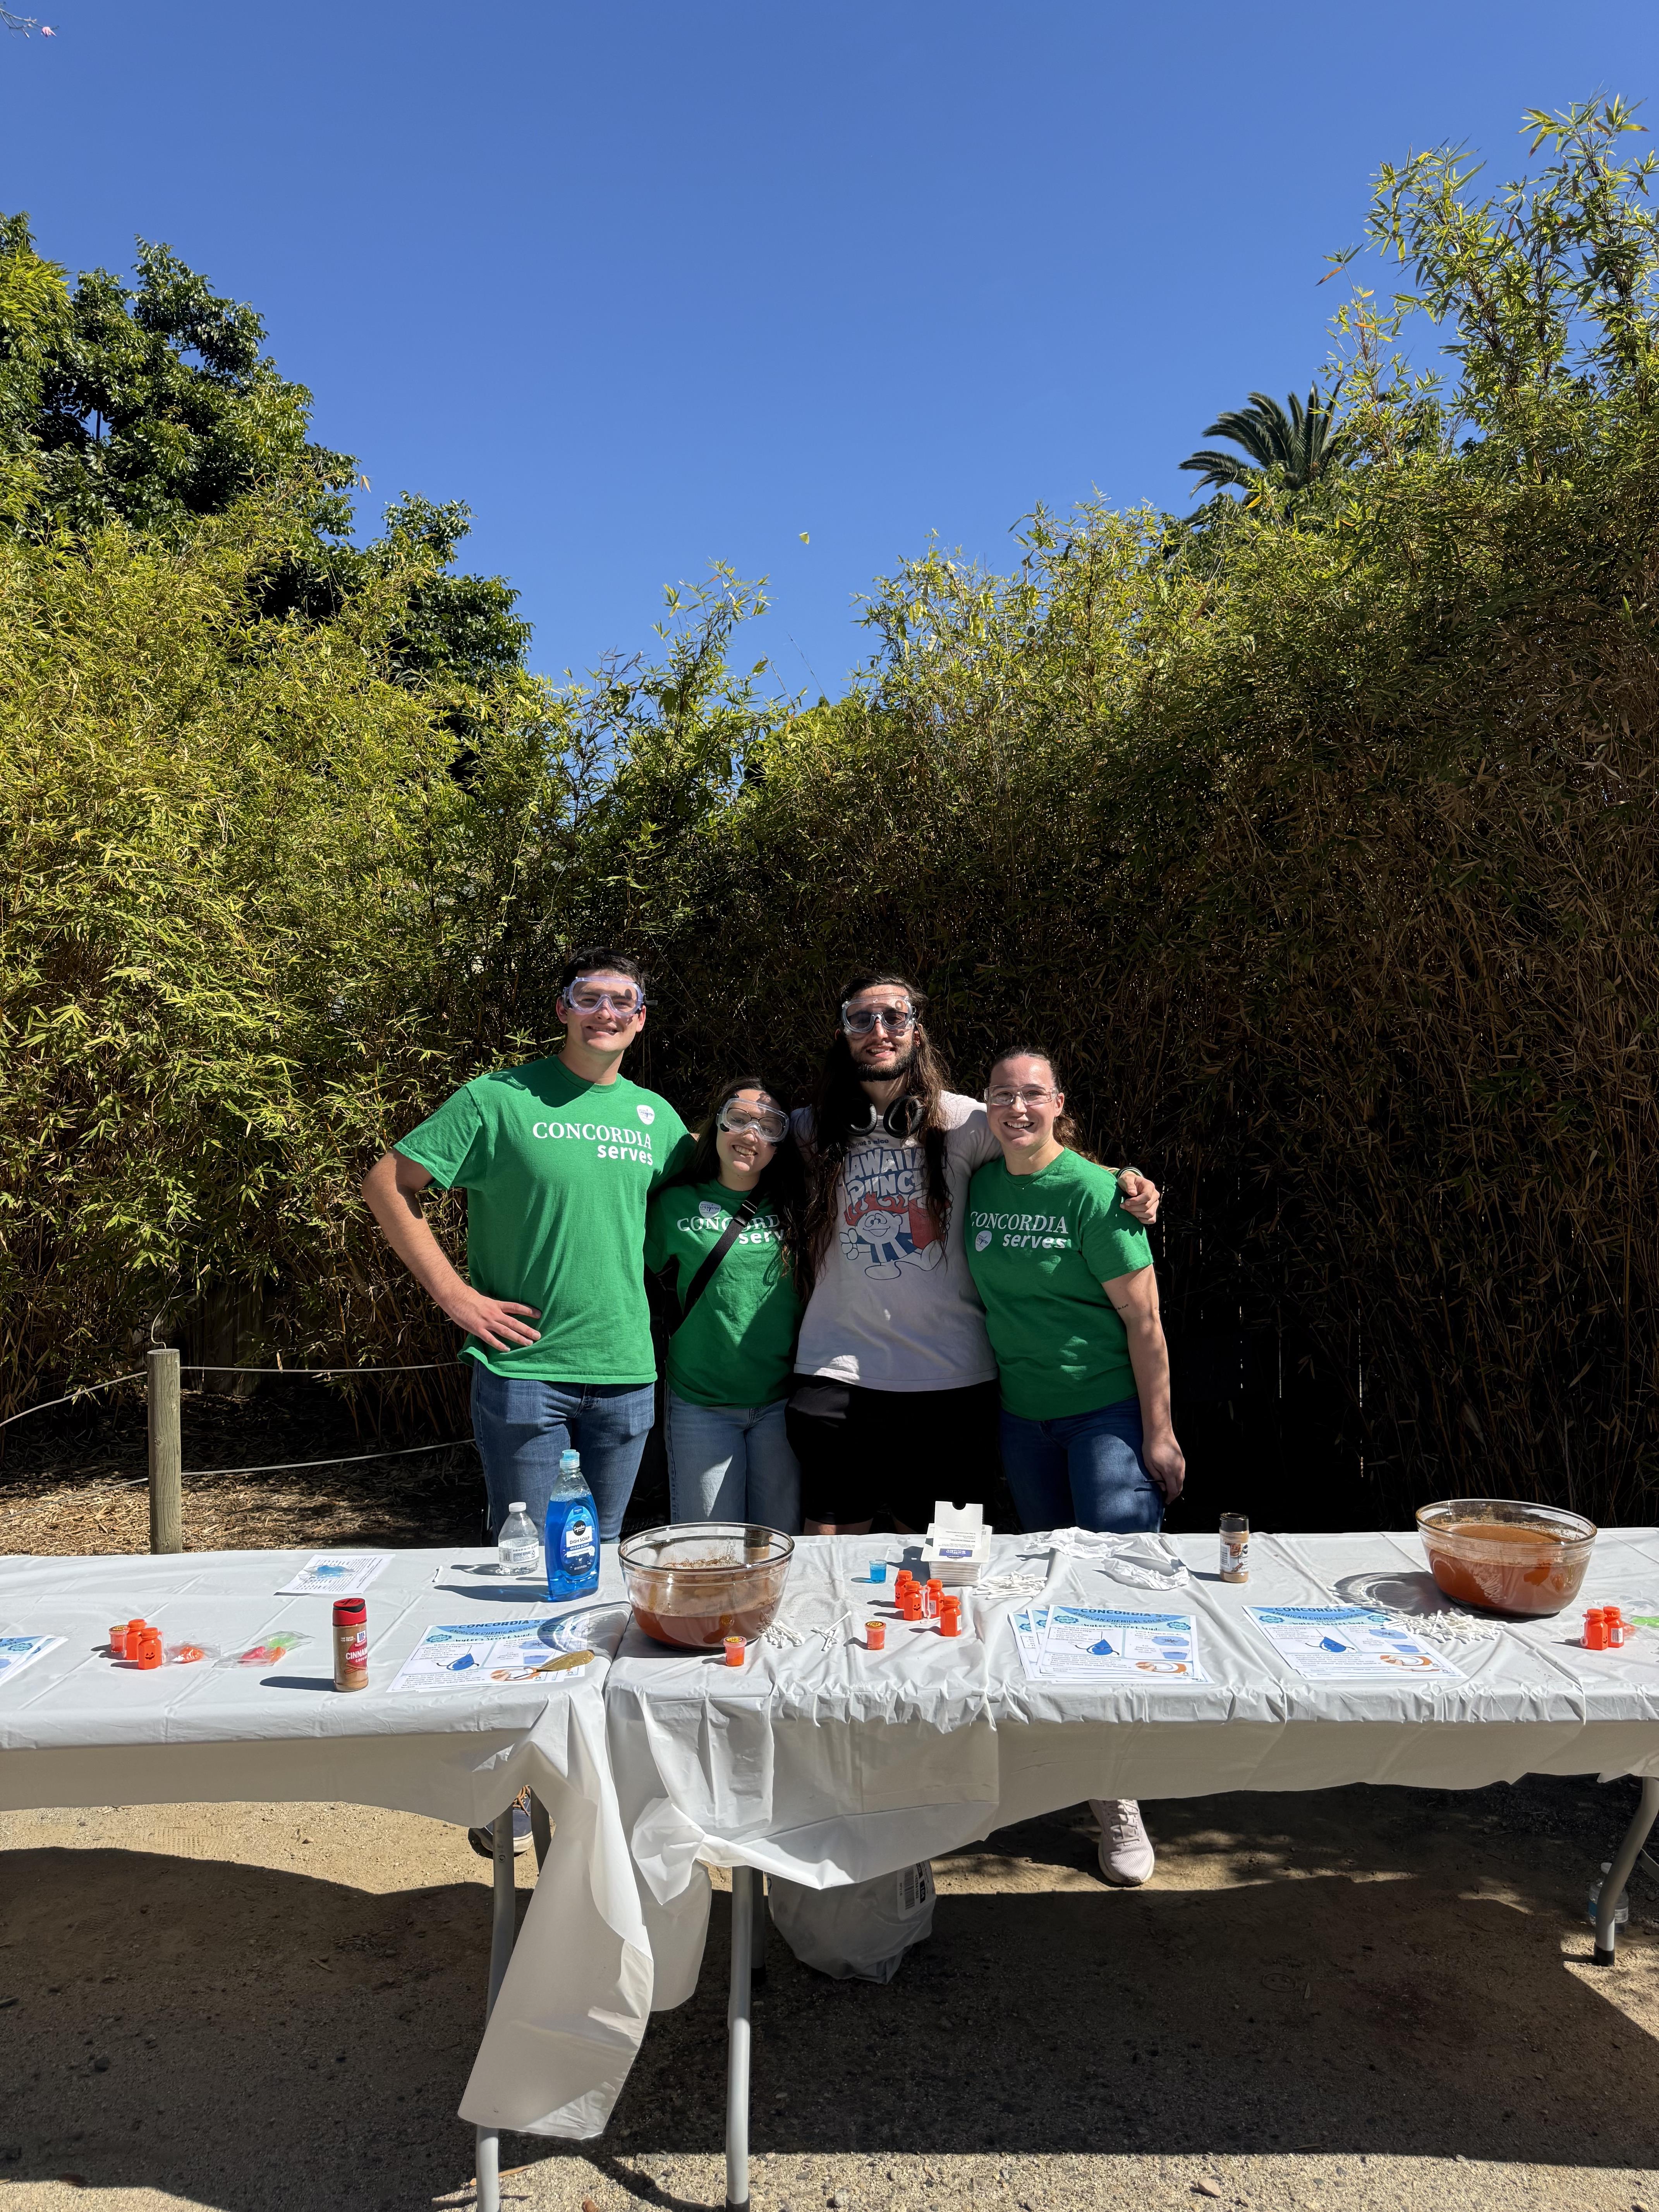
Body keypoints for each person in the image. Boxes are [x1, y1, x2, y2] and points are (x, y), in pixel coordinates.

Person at [785, 973, 1161, 1537]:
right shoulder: (808, 1129)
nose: (878, 1030)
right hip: (836, 1373)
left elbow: (1044, 1152)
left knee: (942, 1566)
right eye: (861, 1019)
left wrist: (1123, 1178)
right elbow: (726, 1151)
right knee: (829, 1552)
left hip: (951, 1383)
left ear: (917, 1030)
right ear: (843, 1032)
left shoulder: (963, 1121)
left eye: (894, 1016)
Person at [361, 946, 692, 1551]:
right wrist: (455, 1297)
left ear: (641, 1018)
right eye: (589, 998)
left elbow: (716, 1183)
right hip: (526, 1371)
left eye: (623, 1001)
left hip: (627, 1370)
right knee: (533, 1556)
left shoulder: (656, 1118)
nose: (606, 1012)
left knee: (607, 1551)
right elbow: (387, 1184)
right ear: (563, 1009)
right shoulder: (498, 1099)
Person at [965, 1045, 1184, 1890]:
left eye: (1033, 1095)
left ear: (1059, 1102)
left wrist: (1158, 1435)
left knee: (1118, 1593)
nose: (1017, 1109)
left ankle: (1122, 1795)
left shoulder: (1099, 1193)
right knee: (1049, 1597)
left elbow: (1147, 1325)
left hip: (1105, 1419)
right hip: (1024, 1420)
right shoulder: (981, 1182)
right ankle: (1076, 1766)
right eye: (1002, 1096)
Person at [645, 1077, 807, 1530]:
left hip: (779, 1401)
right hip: (701, 1402)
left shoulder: (800, 1205)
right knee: (706, 1546)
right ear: (716, 1123)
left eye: (769, 1126)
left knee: (778, 1544)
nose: (750, 1135)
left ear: (781, 1143)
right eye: (738, 1118)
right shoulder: (672, 1205)